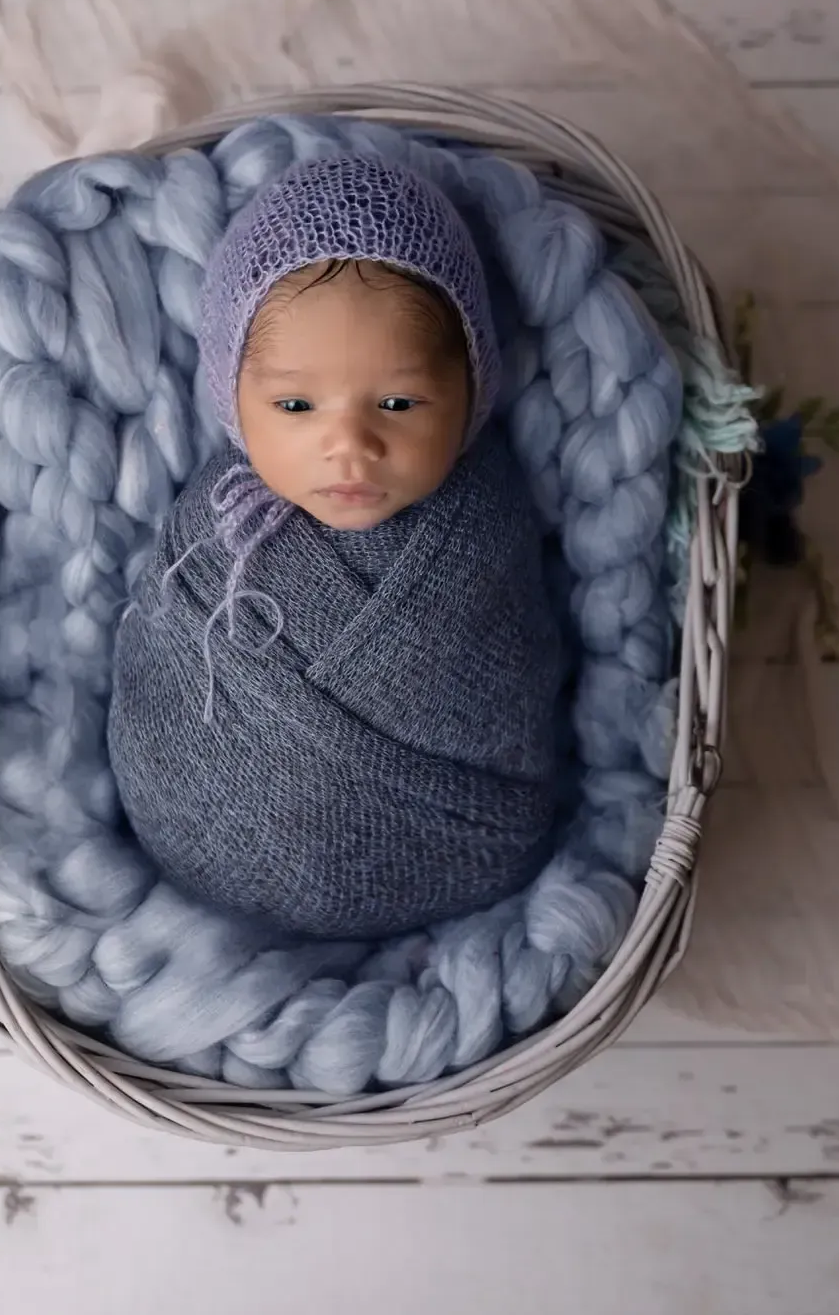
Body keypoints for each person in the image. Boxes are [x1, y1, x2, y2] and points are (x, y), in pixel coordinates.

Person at [108, 153, 562, 939]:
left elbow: (519, 693)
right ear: (231, 399)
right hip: (190, 843)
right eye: (294, 403)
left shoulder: (485, 523)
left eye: (397, 401)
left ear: (470, 392)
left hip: (450, 855)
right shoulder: (213, 518)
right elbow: (159, 672)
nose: (349, 445)